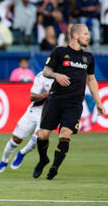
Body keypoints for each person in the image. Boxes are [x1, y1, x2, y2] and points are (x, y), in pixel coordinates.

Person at [33, 24, 106, 180]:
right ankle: (43, 160)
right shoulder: (59, 51)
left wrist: (98, 102)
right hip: (55, 100)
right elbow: (46, 71)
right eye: (85, 34)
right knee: (43, 135)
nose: (88, 36)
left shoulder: (88, 57)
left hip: (74, 104)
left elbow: (91, 80)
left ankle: (54, 167)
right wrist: (56, 75)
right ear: (75, 35)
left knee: (65, 134)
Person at [0, 71, 54, 172]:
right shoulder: (42, 75)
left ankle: (22, 153)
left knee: (38, 138)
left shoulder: (66, 77)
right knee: (16, 139)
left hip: (49, 113)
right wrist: (46, 95)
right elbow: (32, 97)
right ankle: (4, 161)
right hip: (34, 110)